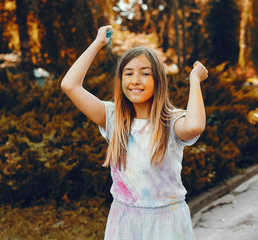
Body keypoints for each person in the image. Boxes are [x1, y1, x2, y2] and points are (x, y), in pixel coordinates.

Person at [61, 25, 208, 240]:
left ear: (158, 80)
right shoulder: (113, 118)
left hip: (167, 223)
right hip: (123, 221)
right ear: (120, 81)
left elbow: (195, 126)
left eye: (145, 73)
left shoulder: (171, 121)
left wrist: (194, 81)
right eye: (128, 73)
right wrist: (98, 43)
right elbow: (69, 85)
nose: (135, 80)